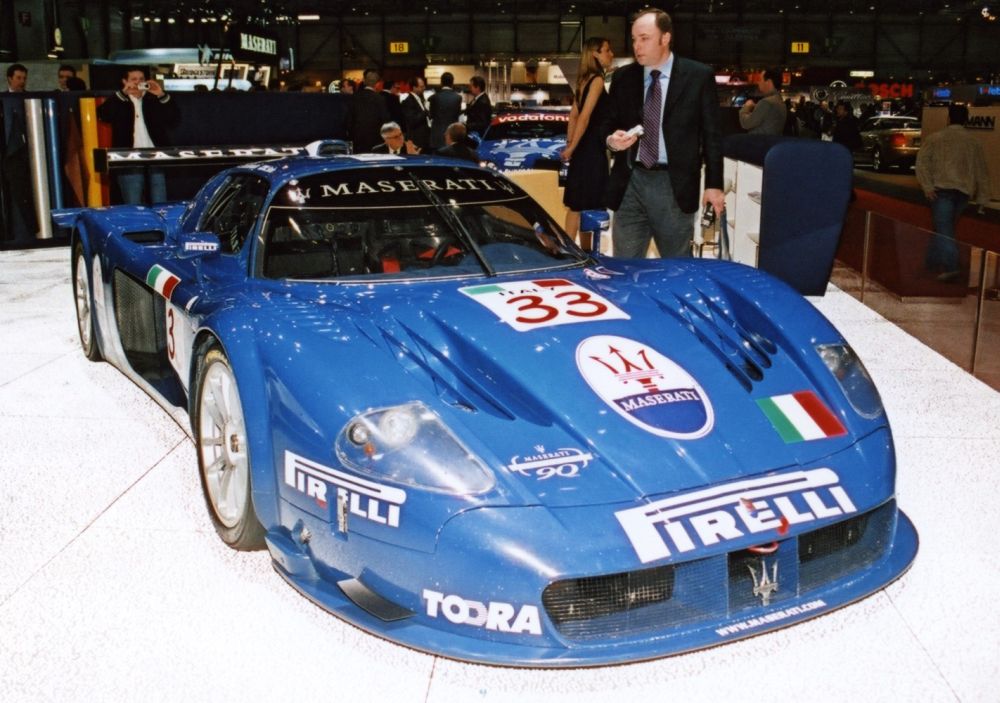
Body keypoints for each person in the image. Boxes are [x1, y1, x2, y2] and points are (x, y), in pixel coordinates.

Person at [601, 8, 724, 259]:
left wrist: (714, 184)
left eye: (644, 38)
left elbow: (712, 135)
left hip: (673, 185)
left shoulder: (697, 76)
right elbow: (607, 123)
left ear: (665, 38)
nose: (637, 46)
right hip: (630, 182)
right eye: (634, 39)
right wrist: (612, 140)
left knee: (675, 266)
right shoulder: (623, 77)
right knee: (625, 267)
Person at [916, 103, 992, 281]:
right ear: (966, 119)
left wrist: (927, 186)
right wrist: (982, 198)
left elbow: (922, 164)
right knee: (944, 227)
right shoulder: (973, 142)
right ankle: (932, 261)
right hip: (964, 192)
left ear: (949, 118)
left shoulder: (936, 138)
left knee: (943, 229)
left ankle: (952, 266)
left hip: (941, 190)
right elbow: (982, 171)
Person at [96, 66, 179, 205]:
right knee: (133, 201)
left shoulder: (153, 100)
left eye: (141, 79)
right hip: (129, 158)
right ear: (124, 81)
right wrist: (123, 93)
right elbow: (103, 115)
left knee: (160, 201)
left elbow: (174, 118)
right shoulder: (120, 100)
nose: (137, 82)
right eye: (133, 79)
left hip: (155, 157)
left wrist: (160, 94)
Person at [561, 36, 614, 246]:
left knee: (577, 203)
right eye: (607, 50)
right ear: (595, 54)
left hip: (583, 148)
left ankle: (576, 250)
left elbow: (574, 116)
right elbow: (584, 117)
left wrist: (571, 144)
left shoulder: (583, 81)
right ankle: (579, 251)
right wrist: (572, 147)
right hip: (592, 148)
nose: (611, 54)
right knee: (586, 203)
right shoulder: (597, 81)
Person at [1, 63, 37, 242]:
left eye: (24, 78)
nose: (22, 82)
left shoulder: (31, 100)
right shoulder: (4, 100)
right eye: (18, 78)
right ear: (9, 78)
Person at [347, 68, 390, 154]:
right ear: (377, 84)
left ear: (364, 81)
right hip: (376, 142)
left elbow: (349, 120)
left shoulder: (354, 97)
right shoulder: (380, 99)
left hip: (358, 141)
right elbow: (385, 120)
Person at [738, 68, 786, 135]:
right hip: (772, 142)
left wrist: (746, 107)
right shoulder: (779, 101)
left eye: (760, 80)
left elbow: (746, 123)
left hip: (759, 142)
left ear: (768, 82)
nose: (758, 83)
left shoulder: (766, 102)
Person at [429, 71, 462, 149]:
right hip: (452, 136)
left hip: (436, 136)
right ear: (452, 82)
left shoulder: (434, 97)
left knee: (436, 159)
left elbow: (431, 115)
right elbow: (458, 115)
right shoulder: (458, 98)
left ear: (441, 82)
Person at [400, 75, 431, 152]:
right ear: (414, 87)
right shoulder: (408, 102)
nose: (424, 88)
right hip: (416, 139)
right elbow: (412, 120)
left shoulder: (421, 99)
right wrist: (426, 112)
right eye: (421, 87)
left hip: (425, 138)